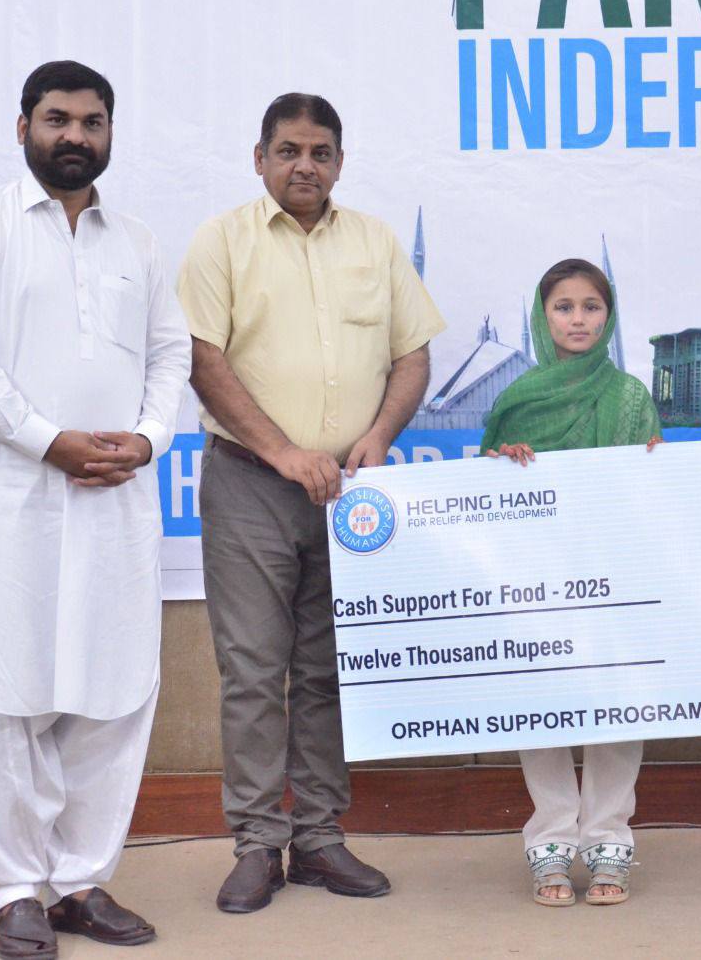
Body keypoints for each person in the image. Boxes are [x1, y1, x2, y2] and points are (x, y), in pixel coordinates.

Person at [0, 60, 190, 958]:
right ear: (23, 128)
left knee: (113, 691)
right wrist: (50, 441)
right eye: (57, 119)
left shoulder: (138, 243)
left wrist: (147, 439)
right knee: (5, 693)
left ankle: (80, 879)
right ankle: (12, 891)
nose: (75, 135)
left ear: (110, 132)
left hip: (116, 497)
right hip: (10, 502)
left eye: (91, 121)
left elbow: (170, 354)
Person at [177, 93, 445, 913]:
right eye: (288, 150)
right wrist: (282, 451)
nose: (305, 165)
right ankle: (259, 843)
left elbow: (412, 354)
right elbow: (203, 359)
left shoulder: (374, 241)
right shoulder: (222, 240)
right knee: (254, 670)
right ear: (259, 158)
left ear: (339, 162)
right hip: (250, 482)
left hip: (350, 492)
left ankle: (321, 837)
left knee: (328, 670)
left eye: (320, 151)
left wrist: (381, 435)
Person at [481, 258, 661, 907]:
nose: (578, 319)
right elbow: (482, 502)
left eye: (591, 306)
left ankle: (610, 837)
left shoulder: (631, 398)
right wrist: (502, 466)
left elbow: (653, 496)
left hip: (615, 574)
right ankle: (551, 840)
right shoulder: (517, 401)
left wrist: (653, 468)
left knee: (617, 699)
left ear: (608, 316)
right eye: (564, 307)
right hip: (538, 581)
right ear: (543, 316)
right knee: (543, 698)